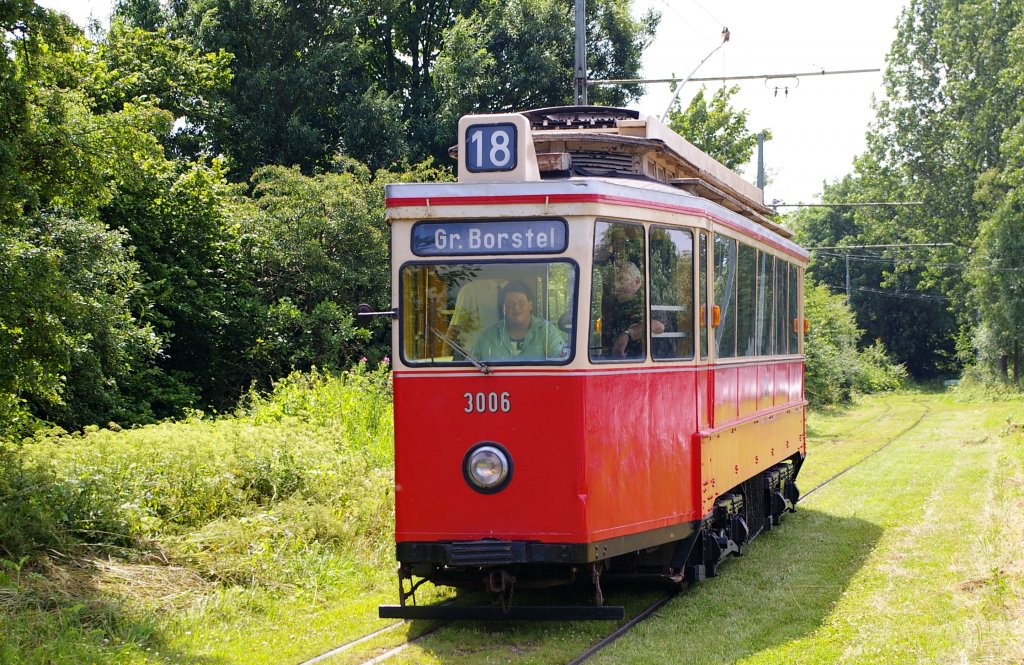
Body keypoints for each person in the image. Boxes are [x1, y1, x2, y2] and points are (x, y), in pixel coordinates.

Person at [471, 281, 567, 361]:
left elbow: (562, 363)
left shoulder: (547, 332)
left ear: (530, 305)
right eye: (510, 303)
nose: (516, 307)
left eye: (521, 302)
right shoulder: (488, 336)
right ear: (504, 308)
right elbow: (470, 367)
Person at [600, 261, 664, 359]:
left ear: (637, 281)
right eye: (616, 280)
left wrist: (628, 334)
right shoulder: (616, 302)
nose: (617, 285)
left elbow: (659, 326)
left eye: (621, 279)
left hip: (642, 359)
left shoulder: (648, 297)